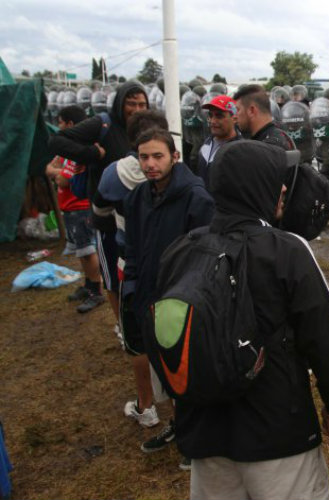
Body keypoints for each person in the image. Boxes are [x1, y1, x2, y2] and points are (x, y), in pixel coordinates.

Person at [177, 140, 329, 499]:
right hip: (277, 429)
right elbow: (323, 338)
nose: (285, 187)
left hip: (205, 427)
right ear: (255, 186)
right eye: (276, 179)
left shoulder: (184, 248)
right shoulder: (286, 250)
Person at [121, 128, 214, 455]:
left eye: (157, 156)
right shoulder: (137, 197)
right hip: (147, 298)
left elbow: (204, 255)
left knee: (187, 372)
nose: (150, 164)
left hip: (182, 301)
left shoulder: (196, 197)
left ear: (174, 156)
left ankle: (196, 441)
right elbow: (131, 246)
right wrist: (131, 287)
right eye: (143, 157)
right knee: (165, 372)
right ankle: (180, 428)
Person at [49, 81, 149, 326]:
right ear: (119, 103)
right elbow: (57, 141)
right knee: (114, 277)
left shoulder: (145, 128)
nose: (137, 109)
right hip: (108, 219)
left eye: (142, 104)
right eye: (131, 103)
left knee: (139, 273)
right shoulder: (102, 124)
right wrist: (91, 154)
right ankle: (121, 327)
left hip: (139, 217)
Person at [92, 110, 169, 348]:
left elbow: (100, 211)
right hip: (168, 259)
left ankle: (128, 336)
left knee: (137, 337)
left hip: (129, 258)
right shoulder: (175, 171)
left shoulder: (113, 173)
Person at [45, 105, 104, 313]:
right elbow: (50, 167)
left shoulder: (82, 150)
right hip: (70, 209)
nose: (59, 127)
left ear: (70, 124)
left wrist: (56, 171)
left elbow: (60, 179)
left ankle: (96, 290)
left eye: (61, 123)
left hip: (81, 209)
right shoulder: (70, 150)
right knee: (81, 250)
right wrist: (56, 170)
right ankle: (89, 285)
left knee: (88, 250)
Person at [197, 95, 241, 189]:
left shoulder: (240, 150)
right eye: (210, 115)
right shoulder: (207, 143)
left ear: (234, 118)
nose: (212, 121)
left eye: (219, 116)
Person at [232, 84, 294, 150]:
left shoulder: (268, 146)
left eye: (238, 110)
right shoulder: (273, 137)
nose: (235, 116)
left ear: (251, 111)